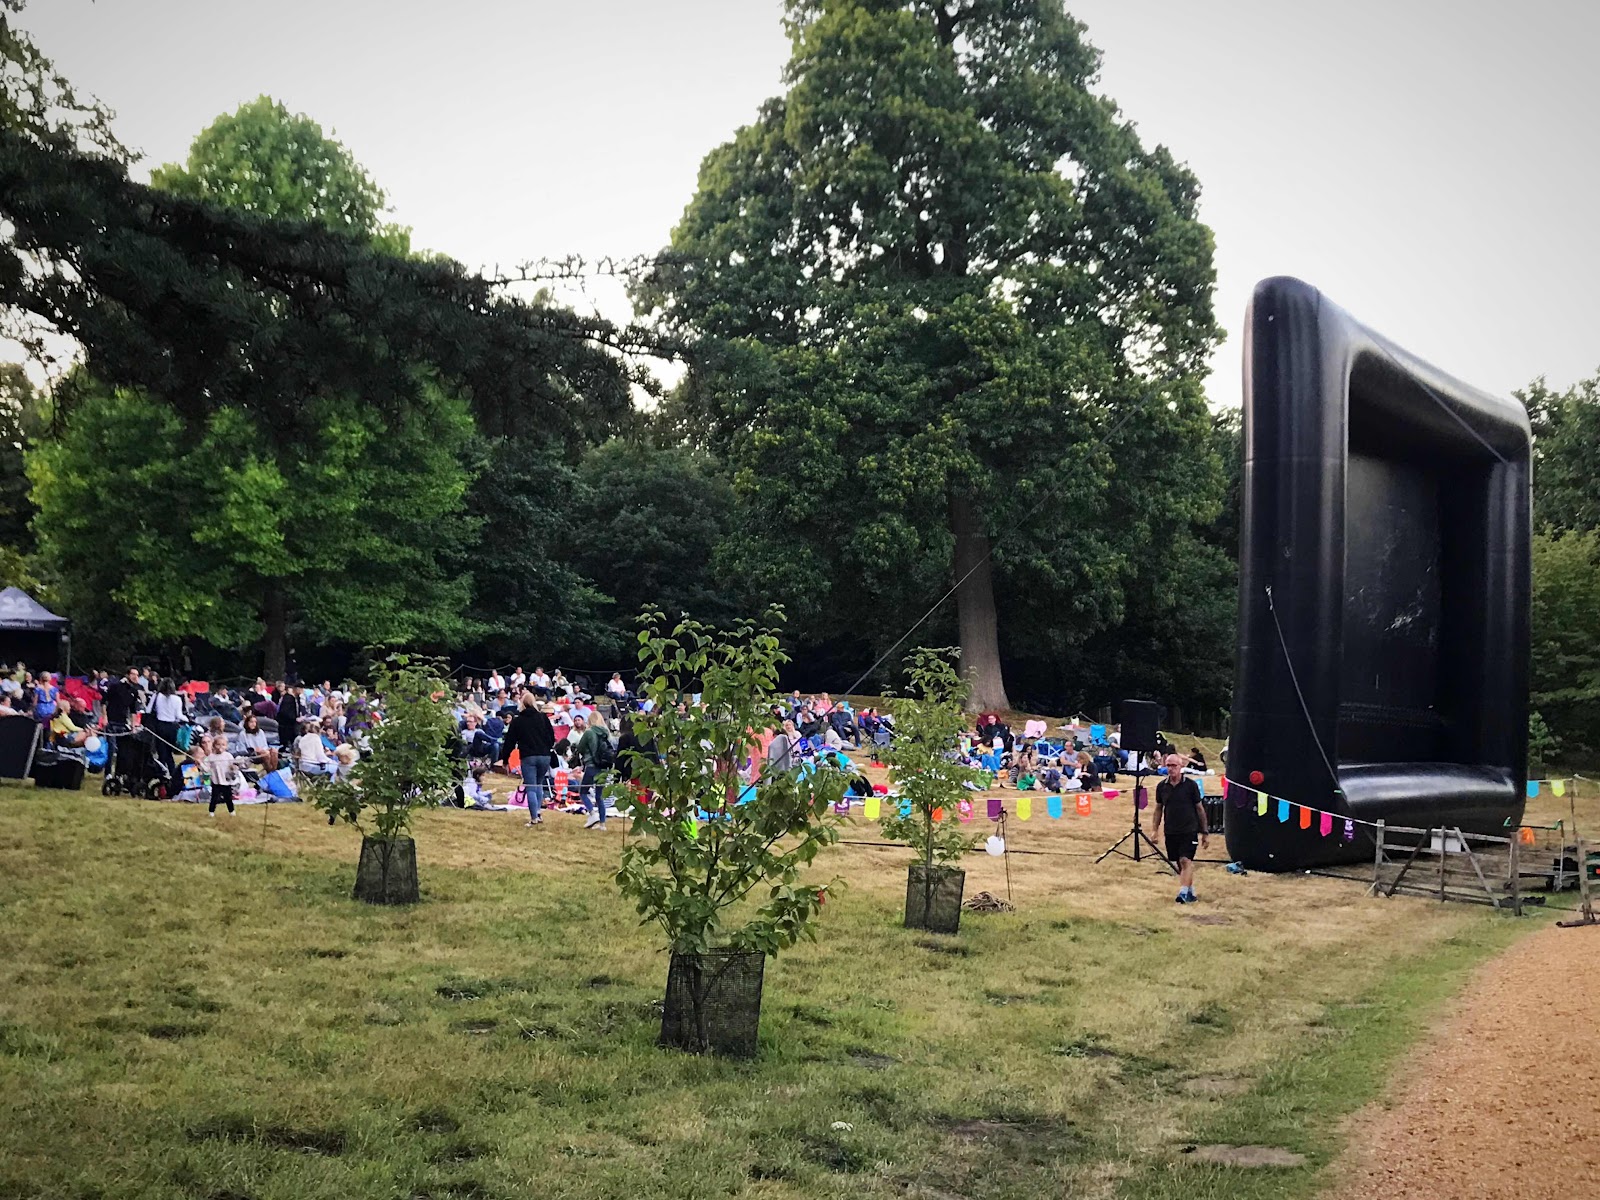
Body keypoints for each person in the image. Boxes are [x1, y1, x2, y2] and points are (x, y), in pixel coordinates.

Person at [1151, 751, 1208, 904]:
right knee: (1178, 861)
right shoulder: (1162, 787)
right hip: (1171, 830)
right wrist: (1155, 830)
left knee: (1185, 860)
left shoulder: (1190, 785)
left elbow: (1200, 809)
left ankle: (1182, 893)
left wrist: (1205, 832)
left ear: (1181, 766)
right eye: (1168, 765)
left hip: (1189, 829)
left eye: (1174, 765)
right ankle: (1190, 891)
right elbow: (1158, 809)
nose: (1171, 769)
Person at [498, 691, 556, 826]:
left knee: (530, 786)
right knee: (539, 784)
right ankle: (539, 813)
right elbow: (551, 737)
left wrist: (505, 760)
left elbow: (509, 742)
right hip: (544, 756)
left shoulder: (518, 721)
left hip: (528, 756)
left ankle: (534, 817)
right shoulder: (543, 718)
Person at [572, 713, 614, 829]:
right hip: (604, 767)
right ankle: (602, 824)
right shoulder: (607, 733)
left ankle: (592, 813)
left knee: (583, 792)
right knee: (599, 796)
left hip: (591, 765)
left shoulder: (589, 732)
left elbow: (580, 748)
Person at [202, 735, 241, 816]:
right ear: (214, 745)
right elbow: (206, 769)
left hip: (226, 782)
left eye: (223, 745)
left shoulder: (228, 756)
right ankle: (211, 812)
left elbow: (233, 766)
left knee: (228, 798)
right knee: (214, 798)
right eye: (218, 744)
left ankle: (232, 811)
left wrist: (234, 767)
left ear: (226, 746)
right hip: (216, 782)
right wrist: (200, 763)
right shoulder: (210, 757)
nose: (220, 747)